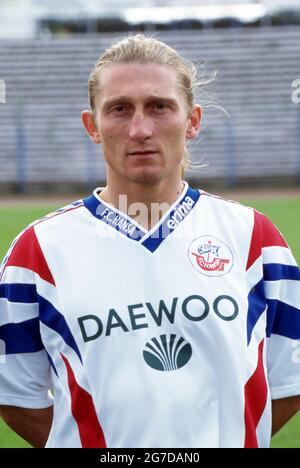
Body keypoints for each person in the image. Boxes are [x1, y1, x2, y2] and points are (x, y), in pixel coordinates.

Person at [0, 34, 300, 449]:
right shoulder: (37, 253)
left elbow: (289, 382)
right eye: (119, 109)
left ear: (192, 120)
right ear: (93, 126)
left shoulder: (255, 239)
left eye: (159, 107)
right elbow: (16, 398)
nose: (140, 129)